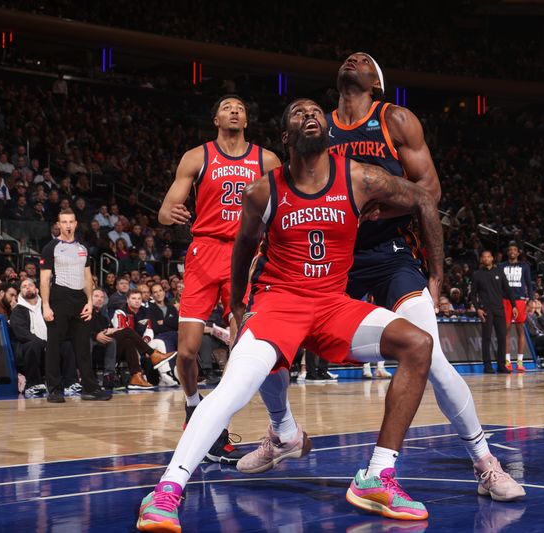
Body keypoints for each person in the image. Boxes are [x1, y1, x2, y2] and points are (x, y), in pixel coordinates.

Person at [137, 98, 443, 531]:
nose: (310, 115)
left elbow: (426, 198)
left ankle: (378, 475)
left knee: (419, 343)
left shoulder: (359, 176)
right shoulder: (264, 188)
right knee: (232, 389)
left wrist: (435, 275)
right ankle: (167, 491)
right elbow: (243, 247)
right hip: (280, 302)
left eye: (315, 111)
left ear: (328, 130)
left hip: (333, 304)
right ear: (286, 138)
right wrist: (240, 303)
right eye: (298, 113)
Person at [322, 52, 522, 492]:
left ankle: (485, 462)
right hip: (335, 255)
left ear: (377, 82)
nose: (353, 59)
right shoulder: (321, 126)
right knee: (274, 338)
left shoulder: (395, 120)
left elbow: (430, 189)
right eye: (348, 57)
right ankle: (281, 432)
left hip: (391, 252)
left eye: (364, 60)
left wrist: (385, 208)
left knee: (430, 355)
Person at [157, 94, 280, 461]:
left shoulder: (266, 159)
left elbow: (285, 204)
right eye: (227, 107)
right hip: (204, 251)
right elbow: (165, 211)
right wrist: (171, 213)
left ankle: (218, 423)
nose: (235, 110)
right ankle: (194, 405)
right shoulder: (198, 156)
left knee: (242, 349)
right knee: (187, 349)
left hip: (245, 253)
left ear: (246, 119)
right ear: (216, 119)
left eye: (241, 107)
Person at [40, 209, 111, 403]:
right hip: (59, 298)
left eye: (71, 221)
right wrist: (45, 305)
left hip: (80, 299)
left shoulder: (83, 248)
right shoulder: (51, 247)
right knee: (54, 346)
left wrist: (89, 301)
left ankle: (90, 388)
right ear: (58, 224)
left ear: (76, 223)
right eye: (64, 222)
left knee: (82, 346)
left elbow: (87, 276)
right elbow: (44, 280)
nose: (68, 225)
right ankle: (54, 390)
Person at [471, 250, 517, 373]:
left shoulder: (499, 272)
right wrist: (478, 309)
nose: (486, 259)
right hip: (486, 310)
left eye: (488, 256)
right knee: (486, 338)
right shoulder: (477, 274)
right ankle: (487, 366)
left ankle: (501, 365)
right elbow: (472, 295)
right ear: (481, 259)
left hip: (499, 309)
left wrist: (514, 306)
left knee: (502, 337)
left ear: (492, 258)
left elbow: (508, 290)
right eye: (483, 257)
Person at [499, 242, 534, 373]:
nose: (512, 251)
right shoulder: (501, 266)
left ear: (518, 253)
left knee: (520, 330)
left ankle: (520, 362)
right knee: (506, 330)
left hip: (519, 300)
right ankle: (507, 361)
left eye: (515, 250)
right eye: (510, 250)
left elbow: (529, 284)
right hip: (505, 300)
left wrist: (531, 299)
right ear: (508, 252)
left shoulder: (524, 266)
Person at [11, 279, 48, 398]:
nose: (28, 288)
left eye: (30, 285)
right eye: (24, 286)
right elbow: (21, 334)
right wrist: (42, 343)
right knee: (33, 345)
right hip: (28, 349)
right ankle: (33, 384)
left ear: (36, 289)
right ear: (20, 292)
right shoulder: (17, 311)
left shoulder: (46, 307)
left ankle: (71, 383)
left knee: (66, 344)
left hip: (49, 346)